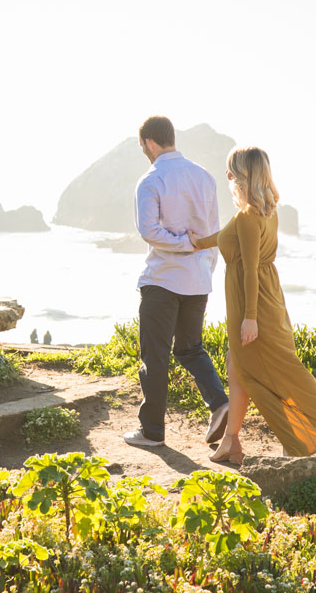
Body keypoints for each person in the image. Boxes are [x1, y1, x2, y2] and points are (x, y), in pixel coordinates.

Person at [189, 147, 316, 464]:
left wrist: (250, 319)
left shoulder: (247, 217)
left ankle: (309, 436)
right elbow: (229, 238)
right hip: (269, 296)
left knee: (276, 372)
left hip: (252, 302)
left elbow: (250, 268)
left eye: (231, 172)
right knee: (236, 367)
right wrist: (198, 242)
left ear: (242, 175)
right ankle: (231, 441)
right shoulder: (265, 210)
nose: (227, 177)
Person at [123, 116, 229, 448]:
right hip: (197, 280)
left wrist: (186, 245)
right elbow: (213, 232)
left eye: (142, 145)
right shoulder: (204, 177)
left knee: (154, 356)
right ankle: (219, 403)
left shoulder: (151, 179)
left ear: (149, 143)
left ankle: (152, 432)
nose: (143, 150)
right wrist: (203, 265)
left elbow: (150, 232)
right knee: (189, 348)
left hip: (164, 279)